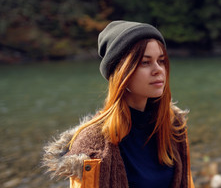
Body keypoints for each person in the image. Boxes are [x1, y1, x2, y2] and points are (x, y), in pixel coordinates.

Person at [42, 20, 194, 188]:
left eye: (161, 60)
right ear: (122, 72)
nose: (158, 69)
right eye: (145, 62)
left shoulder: (173, 125)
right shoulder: (92, 146)